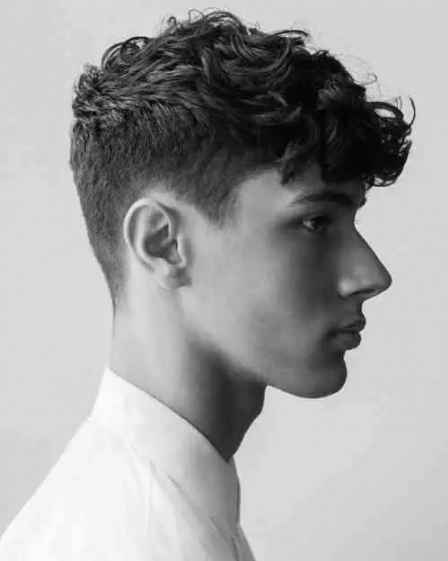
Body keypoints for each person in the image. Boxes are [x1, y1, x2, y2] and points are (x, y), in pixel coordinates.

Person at [0, 8, 415, 560]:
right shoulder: (140, 542)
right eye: (316, 222)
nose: (371, 275)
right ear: (162, 243)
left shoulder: (158, 512)